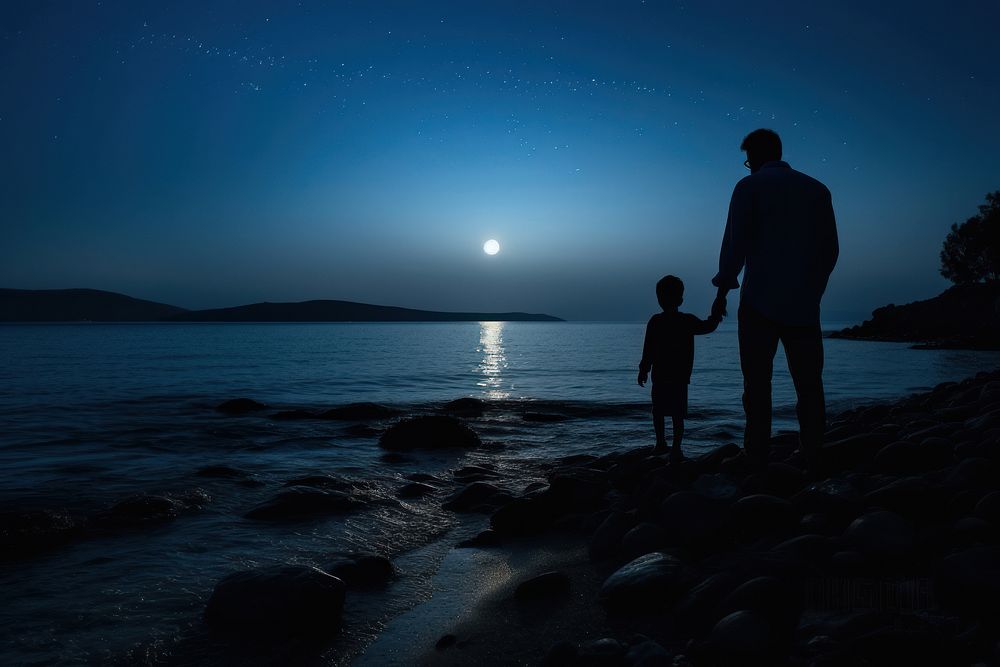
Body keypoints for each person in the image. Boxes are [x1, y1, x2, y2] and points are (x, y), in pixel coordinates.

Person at [711, 128, 839, 472]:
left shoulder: (749, 187)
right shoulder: (816, 190)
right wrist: (814, 291)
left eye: (748, 158)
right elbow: (830, 251)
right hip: (804, 304)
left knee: (756, 384)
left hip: (759, 302)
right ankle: (812, 449)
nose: (747, 164)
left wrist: (722, 292)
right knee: (810, 384)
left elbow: (734, 245)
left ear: (755, 155)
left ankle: (756, 452)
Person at [638, 275, 721, 460]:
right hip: (677, 376)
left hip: (665, 376)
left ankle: (663, 444)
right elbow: (708, 326)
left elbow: (648, 349)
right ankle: (673, 447)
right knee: (675, 413)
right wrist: (716, 315)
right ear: (681, 300)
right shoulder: (684, 321)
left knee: (660, 411)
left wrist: (644, 369)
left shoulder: (657, 321)